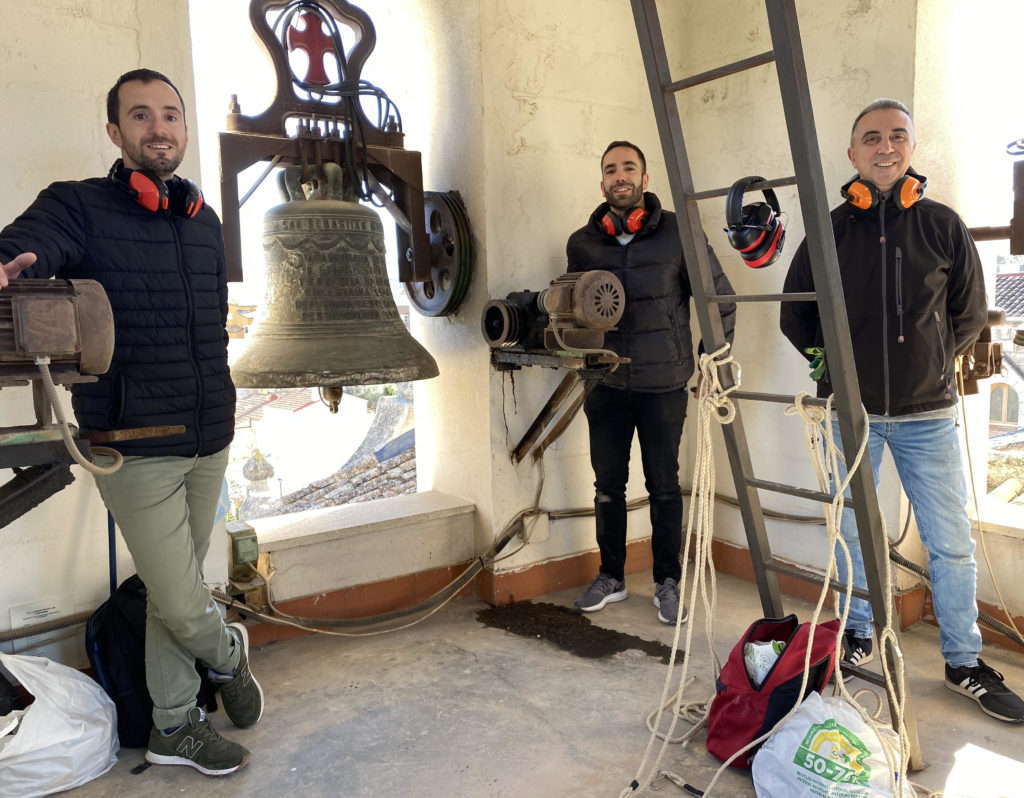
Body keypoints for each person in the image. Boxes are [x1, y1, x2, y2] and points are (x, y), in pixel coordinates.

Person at [0, 69, 265, 771]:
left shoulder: (203, 221)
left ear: (183, 129)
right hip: (133, 444)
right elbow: (27, 245)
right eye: (141, 116)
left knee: (162, 594)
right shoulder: (78, 208)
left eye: (171, 115)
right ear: (116, 133)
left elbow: (212, 324)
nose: (159, 127)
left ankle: (174, 726)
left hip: (210, 435)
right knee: (183, 603)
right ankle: (229, 652)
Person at [780, 98, 1024, 723]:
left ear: (911, 148)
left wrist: (934, 360)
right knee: (852, 538)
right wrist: (830, 368)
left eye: (896, 137)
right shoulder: (827, 230)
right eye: (871, 138)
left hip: (928, 415)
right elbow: (796, 315)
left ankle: (963, 660)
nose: (884, 147)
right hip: (851, 417)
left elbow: (969, 314)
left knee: (951, 544)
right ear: (853, 153)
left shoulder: (943, 225)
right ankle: (859, 633)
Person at [566, 140, 736, 624]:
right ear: (602, 183)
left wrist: (709, 363)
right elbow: (574, 312)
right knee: (607, 486)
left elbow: (719, 299)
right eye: (611, 169)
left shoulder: (680, 236)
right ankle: (612, 577)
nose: (620, 176)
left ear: (644, 179)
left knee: (664, 486)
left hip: (664, 384)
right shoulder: (582, 244)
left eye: (629, 168)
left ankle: (668, 581)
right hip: (605, 385)